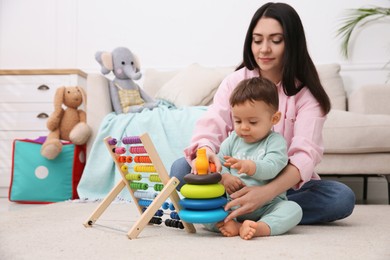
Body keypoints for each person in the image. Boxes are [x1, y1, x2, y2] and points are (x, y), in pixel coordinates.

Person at [170, 2, 355, 225]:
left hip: (282, 189)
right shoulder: (235, 82)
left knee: (341, 198)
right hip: (232, 184)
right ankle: (257, 211)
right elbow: (212, 126)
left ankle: (254, 210)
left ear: (292, 43)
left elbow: (304, 156)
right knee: (181, 168)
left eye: (276, 40)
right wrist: (206, 152)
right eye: (257, 40)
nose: (264, 49)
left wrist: (264, 193)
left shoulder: (307, 94)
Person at [208, 77, 302, 240]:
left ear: (274, 119)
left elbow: (273, 167)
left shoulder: (275, 142)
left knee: (293, 209)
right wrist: (225, 176)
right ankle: (234, 224)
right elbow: (219, 163)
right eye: (237, 121)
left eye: (252, 122)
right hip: (233, 206)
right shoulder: (232, 141)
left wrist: (251, 166)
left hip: (268, 205)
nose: (243, 127)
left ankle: (260, 227)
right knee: (206, 214)